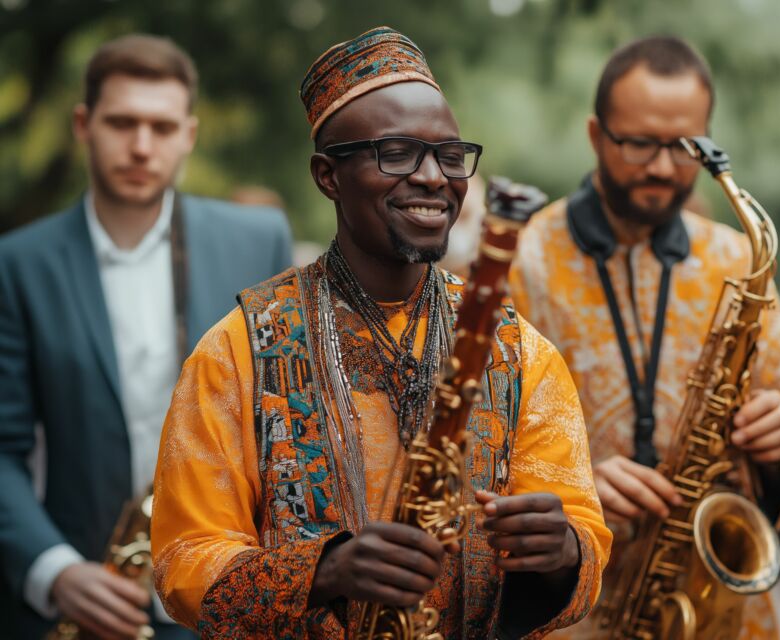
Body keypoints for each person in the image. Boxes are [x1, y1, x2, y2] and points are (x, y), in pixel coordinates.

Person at [151, 26, 610, 639]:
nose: (432, 178)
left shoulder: (521, 353)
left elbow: (583, 547)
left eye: (450, 156)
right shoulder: (236, 351)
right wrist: (326, 570)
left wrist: (563, 554)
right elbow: (183, 564)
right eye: (397, 153)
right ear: (327, 175)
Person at [508, 35, 780, 638]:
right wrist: (568, 483)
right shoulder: (519, 260)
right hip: (576, 608)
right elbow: (474, 444)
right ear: (594, 135)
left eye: (685, 146)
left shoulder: (737, 256)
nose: (662, 167)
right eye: (638, 143)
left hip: (712, 602)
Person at [0, 34, 292, 639]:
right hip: (86, 597)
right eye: (122, 123)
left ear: (189, 134)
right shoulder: (16, 265)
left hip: (228, 595)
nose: (140, 146)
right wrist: (54, 570)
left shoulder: (257, 240)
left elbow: (285, 424)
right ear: (84, 124)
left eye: (161, 128)